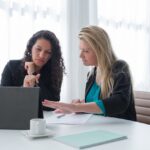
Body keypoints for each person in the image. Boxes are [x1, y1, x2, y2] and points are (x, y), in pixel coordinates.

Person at [42, 25, 136, 121]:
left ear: (100, 50)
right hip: (101, 127)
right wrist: (78, 106)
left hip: (123, 128)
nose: (80, 55)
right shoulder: (92, 74)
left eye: (86, 51)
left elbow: (119, 102)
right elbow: (96, 104)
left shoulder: (120, 67)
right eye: (81, 50)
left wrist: (77, 107)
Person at [1, 30, 65, 117]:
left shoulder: (55, 71)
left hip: (42, 120)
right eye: (38, 49)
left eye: (48, 52)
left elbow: (51, 105)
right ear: (31, 48)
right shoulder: (12, 67)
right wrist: (25, 88)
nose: (42, 55)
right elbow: (4, 100)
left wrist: (33, 74)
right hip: (13, 117)